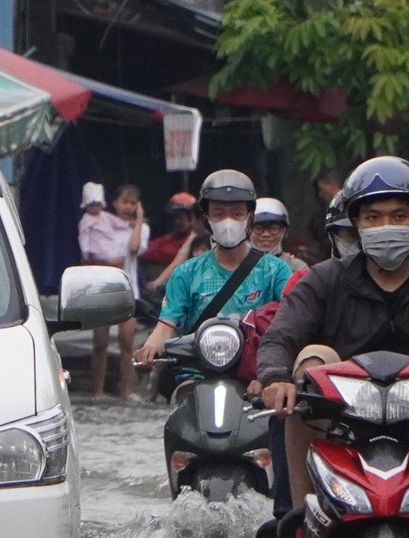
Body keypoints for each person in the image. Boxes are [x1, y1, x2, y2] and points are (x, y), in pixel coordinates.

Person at [256, 156, 409, 508]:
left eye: (398, 216)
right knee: (312, 361)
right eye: (373, 217)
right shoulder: (324, 279)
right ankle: (301, 520)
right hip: (342, 423)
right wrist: (275, 378)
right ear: (356, 223)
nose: (386, 226)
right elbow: (280, 337)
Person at [133, 170, 293, 369]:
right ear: (206, 219)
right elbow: (166, 326)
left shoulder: (276, 271)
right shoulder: (186, 273)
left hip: (256, 379)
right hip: (195, 376)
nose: (228, 221)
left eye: (236, 214)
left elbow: (290, 323)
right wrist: (149, 348)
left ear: (250, 217)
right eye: (218, 214)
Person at [79, 184, 145, 398]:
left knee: (127, 342)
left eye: (133, 203)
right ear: (114, 202)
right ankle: (97, 390)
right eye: (124, 202)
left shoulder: (141, 228)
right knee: (100, 342)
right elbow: (87, 255)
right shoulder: (100, 222)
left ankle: (127, 390)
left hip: (128, 289)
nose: (128, 207)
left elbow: (134, 248)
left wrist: (139, 221)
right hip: (102, 288)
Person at [140, 193, 196, 284]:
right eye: (174, 217)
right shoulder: (173, 236)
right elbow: (150, 245)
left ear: (191, 217)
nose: (176, 221)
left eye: (180, 217)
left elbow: (157, 253)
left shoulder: (193, 238)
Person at [249, 198, 310, 273]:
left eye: (274, 228)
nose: (266, 234)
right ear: (248, 230)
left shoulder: (296, 267)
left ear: (284, 231)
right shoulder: (236, 265)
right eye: (258, 228)